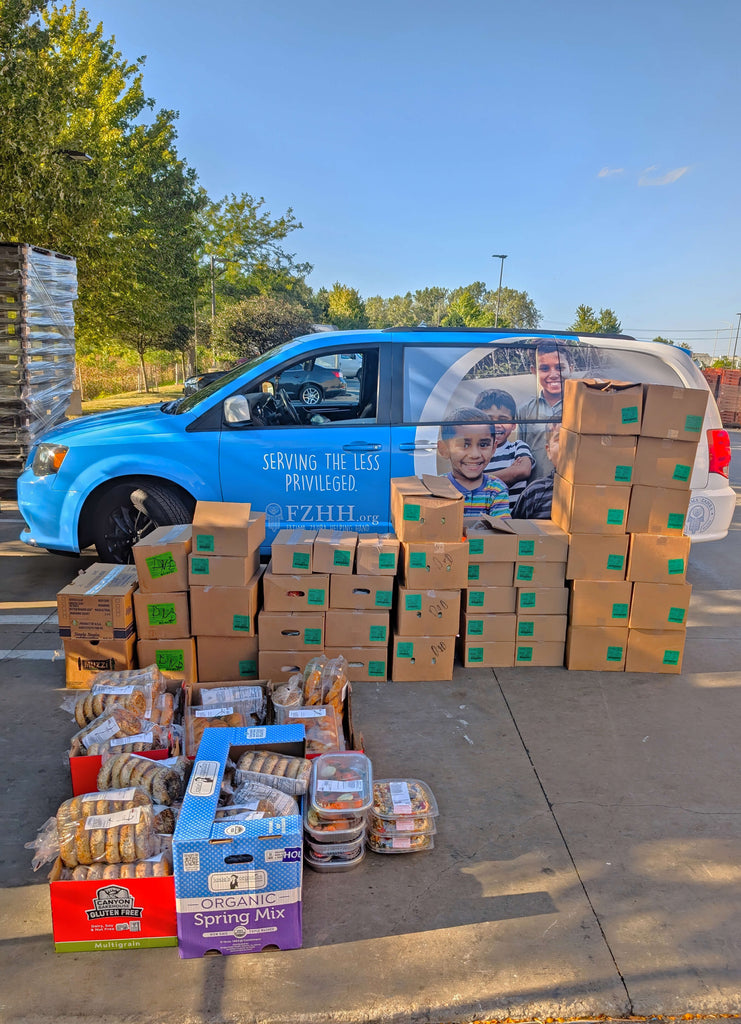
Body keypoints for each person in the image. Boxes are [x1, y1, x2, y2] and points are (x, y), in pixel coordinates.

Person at [437, 408, 510, 518]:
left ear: (493, 448)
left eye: (483, 445)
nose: (475, 454)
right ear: (444, 449)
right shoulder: (437, 487)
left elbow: (501, 527)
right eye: (464, 445)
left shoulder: (496, 489)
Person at [517, 340, 573, 481]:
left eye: (560, 367)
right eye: (545, 368)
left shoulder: (580, 407)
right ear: (534, 371)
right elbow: (521, 455)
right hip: (536, 489)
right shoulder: (525, 411)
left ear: (571, 369)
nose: (553, 374)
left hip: (574, 486)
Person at [474, 388, 534, 509]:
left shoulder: (518, 447)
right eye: (489, 419)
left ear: (513, 425)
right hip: (478, 515)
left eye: (503, 419)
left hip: (512, 518)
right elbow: (464, 479)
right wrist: (510, 473)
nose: (496, 425)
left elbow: (523, 470)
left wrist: (478, 479)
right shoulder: (473, 452)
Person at [511, 418, 561, 519]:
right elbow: (516, 526)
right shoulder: (535, 492)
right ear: (548, 451)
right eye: (559, 439)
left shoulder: (595, 491)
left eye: (573, 439)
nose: (568, 445)